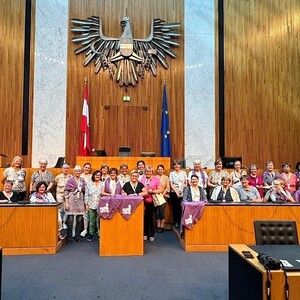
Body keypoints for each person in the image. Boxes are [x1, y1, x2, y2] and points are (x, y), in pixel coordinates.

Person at [64, 165, 86, 244]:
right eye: (76, 171)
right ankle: (69, 237)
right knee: (70, 220)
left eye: (79, 171)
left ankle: (77, 236)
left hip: (80, 200)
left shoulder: (83, 180)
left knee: (80, 219)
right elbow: (66, 192)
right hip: (72, 200)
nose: (78, 172)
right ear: (74, 172)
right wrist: (67, 203)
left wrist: (85, 203)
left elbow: (84, 191)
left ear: (81, 172)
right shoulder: (70, 180)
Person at [140, 166, 162, 242]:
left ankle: (152, 234)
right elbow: (140, 189)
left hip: (153, 201)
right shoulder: (142, 179)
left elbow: (160, 189)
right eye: (147, 171)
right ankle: (145, 234)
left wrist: (152, 191)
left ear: (152, 172)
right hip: (143, 202)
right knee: (145, 218)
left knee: (152, 218)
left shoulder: (156, 179)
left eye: (150, 171)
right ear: (145, 172)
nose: (148, 173)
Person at [85, 170, 103, 242]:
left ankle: (100, 233)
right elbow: (86, 194)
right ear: (93, 176)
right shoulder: (89, 183)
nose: (97, 176)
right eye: (96, 175)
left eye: (99, 175)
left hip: (100, 204)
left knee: (99, 220)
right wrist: (86, 204)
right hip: (91, 203)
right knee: (92, 220)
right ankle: (91, 233)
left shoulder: (102, 184)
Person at [169, 159, 187, 228]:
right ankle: (175, 221)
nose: (176, 166)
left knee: (181, 207)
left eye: (178, 164)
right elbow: (171, 184)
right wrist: (176, 192)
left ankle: (181, 222)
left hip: (182, 191)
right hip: (174, 192)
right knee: (175, 207)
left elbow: (186, 183)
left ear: (180, 165)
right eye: (175, 164)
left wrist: (182, 191)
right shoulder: (172, 173)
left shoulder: (184, 173)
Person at [54, 163, 72, 232]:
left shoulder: (71, 177)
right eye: (64, 168)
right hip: (60, 195)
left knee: (66, 209)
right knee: (60, 210)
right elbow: (55, 184)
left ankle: (64, 222)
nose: (65, 169)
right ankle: (60, 223)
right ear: (62, 169)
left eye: (67, 168)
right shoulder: (58, 177)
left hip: (68, 196)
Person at [155, 164, 170, 233]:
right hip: (155, 196)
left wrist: (162, 194)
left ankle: (162, 226)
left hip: (163, 196)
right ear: (157, 170)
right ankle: (158, 226)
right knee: (157, 211)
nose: (160, 170)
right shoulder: (154, 177)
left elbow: (167, 188)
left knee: (161, 211)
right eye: (159, 169)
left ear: (163, 170)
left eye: (161, 169)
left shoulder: (166, 177)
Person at [80, 162, 92, 238]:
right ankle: (82, 229)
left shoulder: (91, 176)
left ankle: (88, 229)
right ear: (83, 168)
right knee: (82, 212)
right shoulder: (80, 175)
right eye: (86, 167)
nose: (87, 169)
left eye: (88, 168)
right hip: (80, 196)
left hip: (89, 196)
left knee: (87, 212)